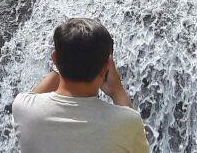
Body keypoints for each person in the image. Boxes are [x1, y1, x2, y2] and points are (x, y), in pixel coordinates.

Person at [12, 18, 148, 153]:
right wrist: (117, 92)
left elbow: (33, 96)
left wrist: (61, 64)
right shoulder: (127, 123)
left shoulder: (23, 108)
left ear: (54, 58)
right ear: (107, 66)